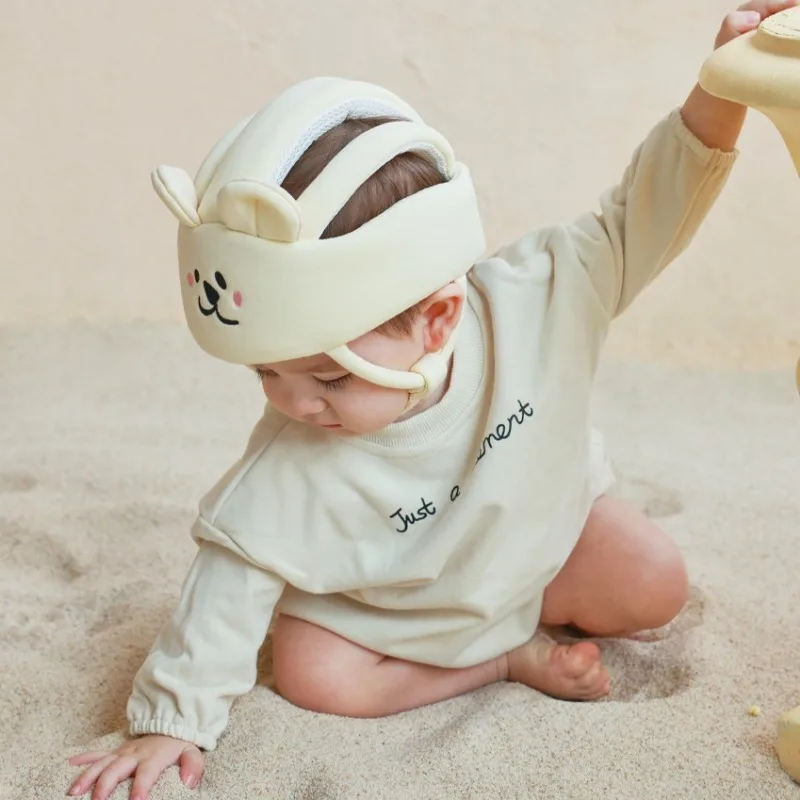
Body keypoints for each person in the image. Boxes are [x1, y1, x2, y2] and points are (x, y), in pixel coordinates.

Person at [66, 3, 794, 798]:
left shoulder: (540, 299)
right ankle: (504, 658)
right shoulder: (293, 454)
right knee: (317, 676)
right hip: (388, 607)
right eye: (267, 374)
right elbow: (228, 581)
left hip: (531, 549)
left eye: (328, 377)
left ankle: (517, 622)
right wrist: (171, 723)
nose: (292, 403)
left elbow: (647, 209)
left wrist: (725, 84)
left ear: (439, 316)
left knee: (656, 583)